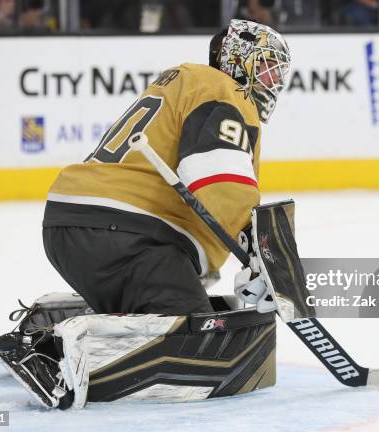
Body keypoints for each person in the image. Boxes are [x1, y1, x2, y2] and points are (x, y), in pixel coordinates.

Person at [42, 19, 291, 316]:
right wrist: (261, 251)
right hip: (130, 235)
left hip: (69, 222)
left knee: (151, 312)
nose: (273, 78)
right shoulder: (224, 91)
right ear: (238, 60)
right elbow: (221, 179)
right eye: (267, 66)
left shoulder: (182, 83)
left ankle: (60, 334)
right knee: (196, 336)